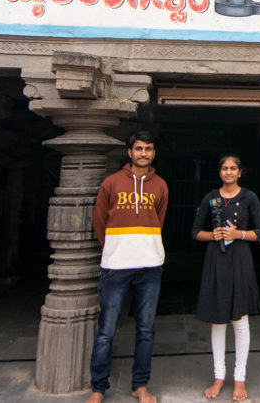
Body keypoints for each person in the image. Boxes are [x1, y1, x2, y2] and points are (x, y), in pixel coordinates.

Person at [87, 131, 168, 403]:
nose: (143, 153)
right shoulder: (111, 183)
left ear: (154, 153)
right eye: (139, 149)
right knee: (106, 330)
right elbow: (100, 222)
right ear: (130, 152)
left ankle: (140, 385)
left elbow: (159, 221)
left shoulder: (161, 186)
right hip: (116, 265)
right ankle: (98, 388)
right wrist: (114, 248)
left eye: (148, 149)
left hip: (149, 266)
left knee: (146, 329)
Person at [191, 155, 260, 402]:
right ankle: (219, 376)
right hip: (216, 259)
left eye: (233, 168)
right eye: (224, 168)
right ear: (219, 171)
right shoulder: (211, 198)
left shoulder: (249, 197)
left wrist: (238, 234)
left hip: (240, 260)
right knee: (218, 320)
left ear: (240, 172)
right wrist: (212, 235)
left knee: (240, 319)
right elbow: (195, 232)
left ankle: (240, 377)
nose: (228, 172)